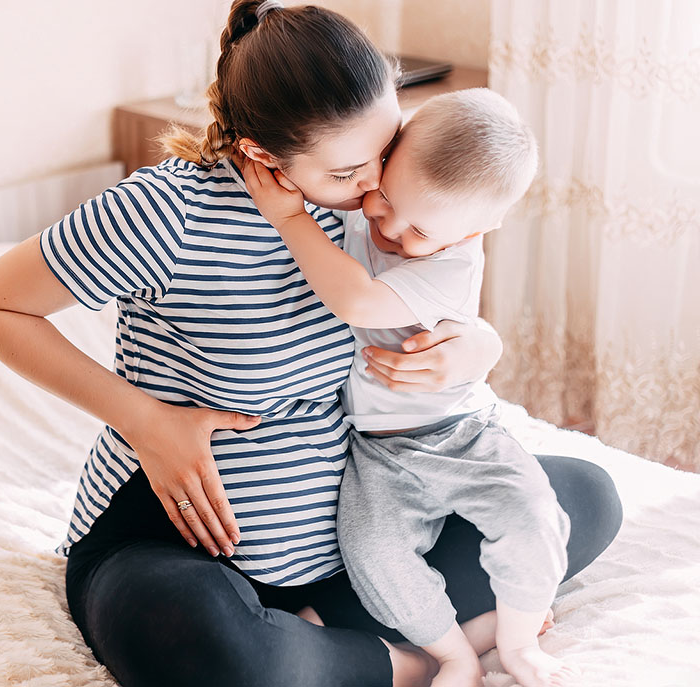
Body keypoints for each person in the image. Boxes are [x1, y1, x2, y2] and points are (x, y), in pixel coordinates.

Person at [0, 2, 623, 686]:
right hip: (177, 543)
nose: (373, 192)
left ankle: (319, 639)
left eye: (384, 152)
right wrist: (143, 417)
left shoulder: (380, 208)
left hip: (351, 542)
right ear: (263, 156)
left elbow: (441, 288)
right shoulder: (165, 213)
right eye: (346, 174)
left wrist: (480, 343)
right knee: (202, 635)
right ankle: (403, 659)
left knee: (583, 497)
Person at [243, 88, 579, 687]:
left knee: (536, 518)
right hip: (379, 452)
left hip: (463, 434)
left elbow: (357, 300)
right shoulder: (366, 208)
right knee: (373, 555)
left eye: (420, 229)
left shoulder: (454, 262)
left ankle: (520, 641)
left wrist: (290, 219)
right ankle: (450, 652)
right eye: (386, 200)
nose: (388, 229)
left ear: (483, 229)